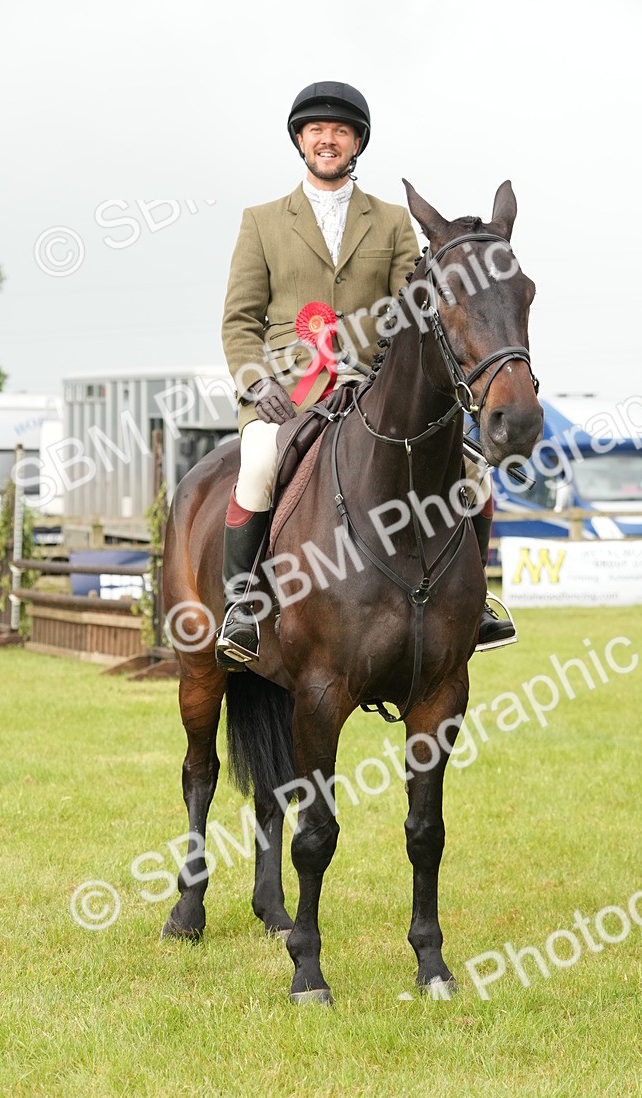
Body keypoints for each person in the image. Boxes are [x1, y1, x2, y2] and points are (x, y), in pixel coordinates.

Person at [215, 80, 516, 670]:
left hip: (371, 385)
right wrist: (256, 382)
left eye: (340, 131)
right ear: (301, 141)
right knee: (255, 469)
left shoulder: (394, 223)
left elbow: (420, 310)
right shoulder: (262, 222)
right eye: (316, 131)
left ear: (357, 143)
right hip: (287, 391)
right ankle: (243, 609)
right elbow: (239, 320)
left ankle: (475, 605)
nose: (328, 140)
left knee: (473, 473)